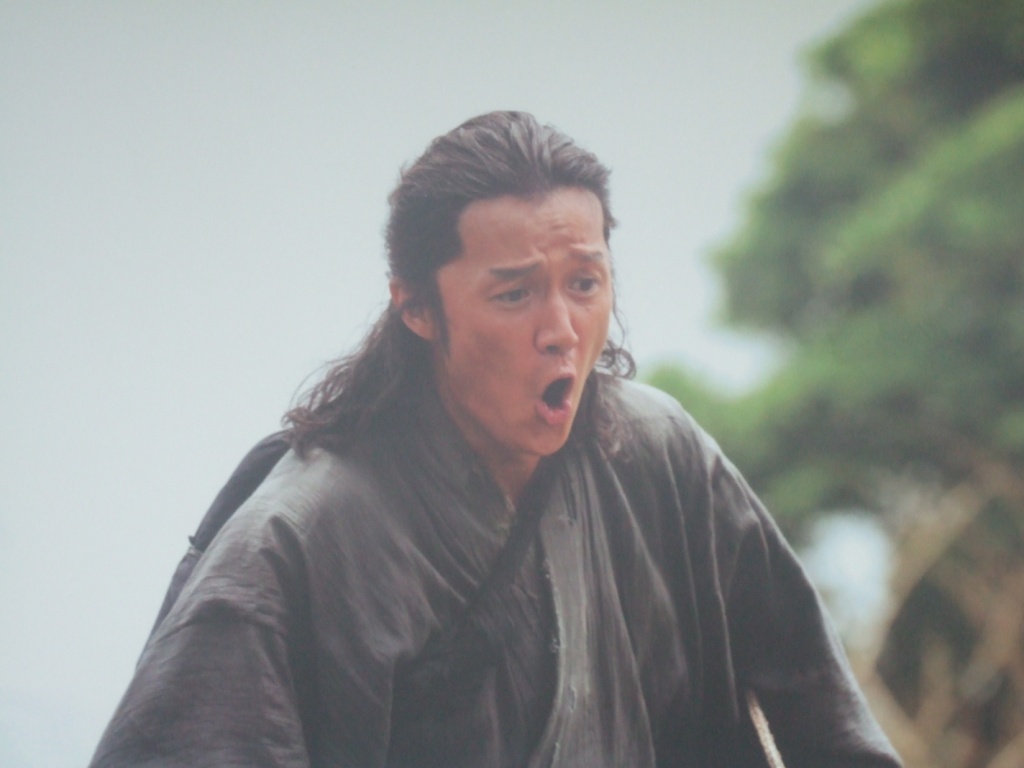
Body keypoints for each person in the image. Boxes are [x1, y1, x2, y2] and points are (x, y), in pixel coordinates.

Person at [90, 111, 902, 767]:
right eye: (514, 295)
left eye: (584, 284)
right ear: (417, 307)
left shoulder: (660, 456)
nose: (562, 330)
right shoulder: (301, 536)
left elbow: (826, 719)